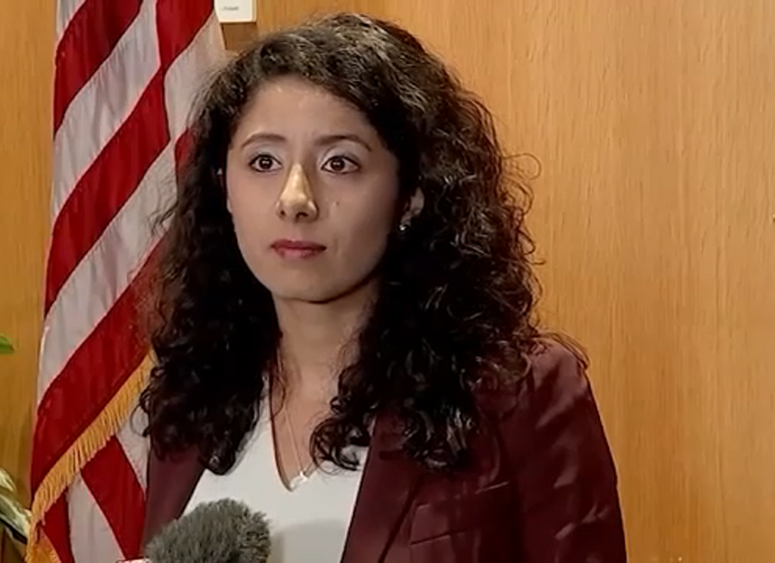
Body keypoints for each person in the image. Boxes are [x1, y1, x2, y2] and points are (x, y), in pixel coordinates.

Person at [137, 12, 626, 563]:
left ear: (410, 195)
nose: (295, 199)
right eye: (264, 161)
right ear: (223, 187)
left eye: (339, 163)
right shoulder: (192, 392)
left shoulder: (518, 392)